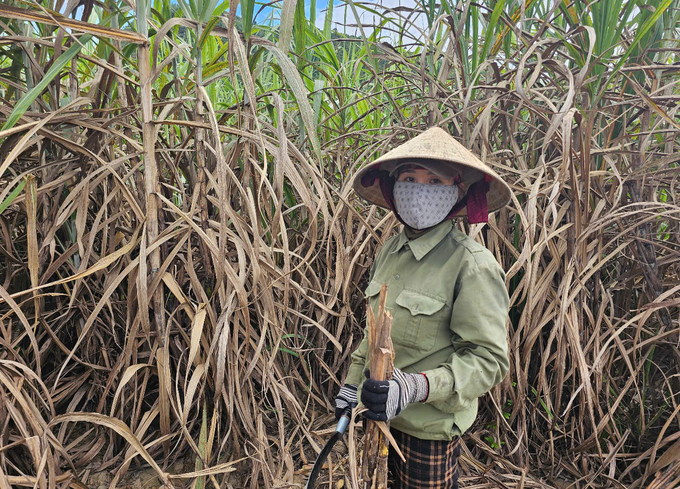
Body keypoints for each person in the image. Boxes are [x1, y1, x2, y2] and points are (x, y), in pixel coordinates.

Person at [333, 127, 512, 488]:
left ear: (457, 192)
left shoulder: (471, 265)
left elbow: (488, 362)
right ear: (393, 188)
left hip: (428, 432)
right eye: (410, 178)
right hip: (377, 416)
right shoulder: (389, 251)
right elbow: (374, 331)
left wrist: (413, 388)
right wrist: (352, 386)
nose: (419, 189)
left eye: (434, 181)